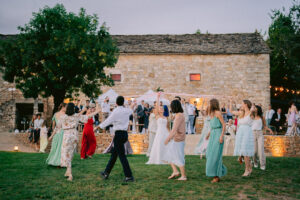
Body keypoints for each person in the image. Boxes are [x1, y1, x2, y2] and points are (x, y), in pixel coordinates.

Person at [96, 96, 135, 182]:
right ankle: (106, 172)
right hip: (125, 134)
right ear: (123, 103)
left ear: (116, 103)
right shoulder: (126, 110)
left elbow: (108, 121)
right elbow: (131, 110)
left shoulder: (115, 111)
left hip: (118, 135)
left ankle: (129, 176)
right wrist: (133, 104)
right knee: (114, 155)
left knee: (122, 156)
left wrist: (98, 126)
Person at [61, 103, 100, 181]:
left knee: (66, 154)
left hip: (67, 136)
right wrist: (97, 111)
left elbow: (58, 126)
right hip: (75, 136)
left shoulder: (63, 117)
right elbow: (87, 116)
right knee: (70, 154)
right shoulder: (76, 116)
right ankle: (67, 171)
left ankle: (70, 174)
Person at [163, 98, 187, 181]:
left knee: (179, 156)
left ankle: (183, 176)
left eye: (171, 107)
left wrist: (168, 139)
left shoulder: (179, 116)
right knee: (169, 155)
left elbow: (174, 129)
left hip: (179, 139)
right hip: (177, 139)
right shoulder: (178, 115)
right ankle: (175, 171)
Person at [231, 100, 255, 177]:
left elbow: (255, 110)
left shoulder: (251, 113)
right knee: (243, 152)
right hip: (240, 133)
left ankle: (247, 170)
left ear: (246, 104)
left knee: (245, 151)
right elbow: (232, 111)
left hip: (247, 133)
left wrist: (253, 107)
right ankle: (249, 166)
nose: (241, 105)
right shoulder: (242, 113)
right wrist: (231, 102)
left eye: (242, 104)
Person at [205, 99, 227, 183]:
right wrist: (208, 134)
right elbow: (213, 126)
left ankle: (216, 176)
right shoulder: (211, 114)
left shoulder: (218, 113)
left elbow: (223, 125)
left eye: (209, 103)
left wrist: (221, 136)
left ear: (213, 104)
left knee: (215, 155)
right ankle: (216, 172)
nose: (208, 105)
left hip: (218, 134)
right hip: (213, 134)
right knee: (209, 154)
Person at [147, 93, 169, 165]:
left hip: (165, 132)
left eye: (162, 108)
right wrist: (158, 97)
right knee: (159, 144)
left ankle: (166, 158)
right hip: (159, 132)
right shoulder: (157, 116)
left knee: (166, 145)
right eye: (160, 108)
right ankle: (158, 158)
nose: (161, 109)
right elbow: (156, 107)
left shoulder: (165, 117)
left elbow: (167, 127)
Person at [252, 105, 273, 170]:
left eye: (255, 108)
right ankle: (255, 162)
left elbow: (265, 126)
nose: (254, 108)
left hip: (260, 134)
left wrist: (269, 129)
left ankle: (262, 165)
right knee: (254, 151)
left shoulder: (262, 117)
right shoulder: (251, 116)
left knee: (261, 150)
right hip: (253, 134)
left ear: (258, 109)